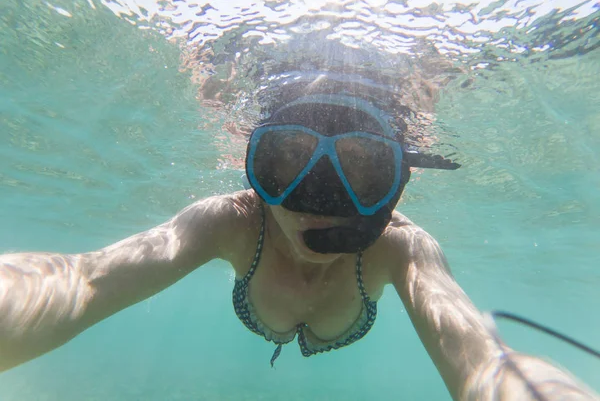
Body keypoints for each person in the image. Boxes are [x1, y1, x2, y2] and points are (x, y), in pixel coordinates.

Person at [0, 71, 598, 401]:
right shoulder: (232, 221)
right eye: (286, 162)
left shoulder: (402, 247)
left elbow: (484, 366)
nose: (317, 200)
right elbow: (83, 280)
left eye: (362, 171)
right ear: (254, 171)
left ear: (397, 187)